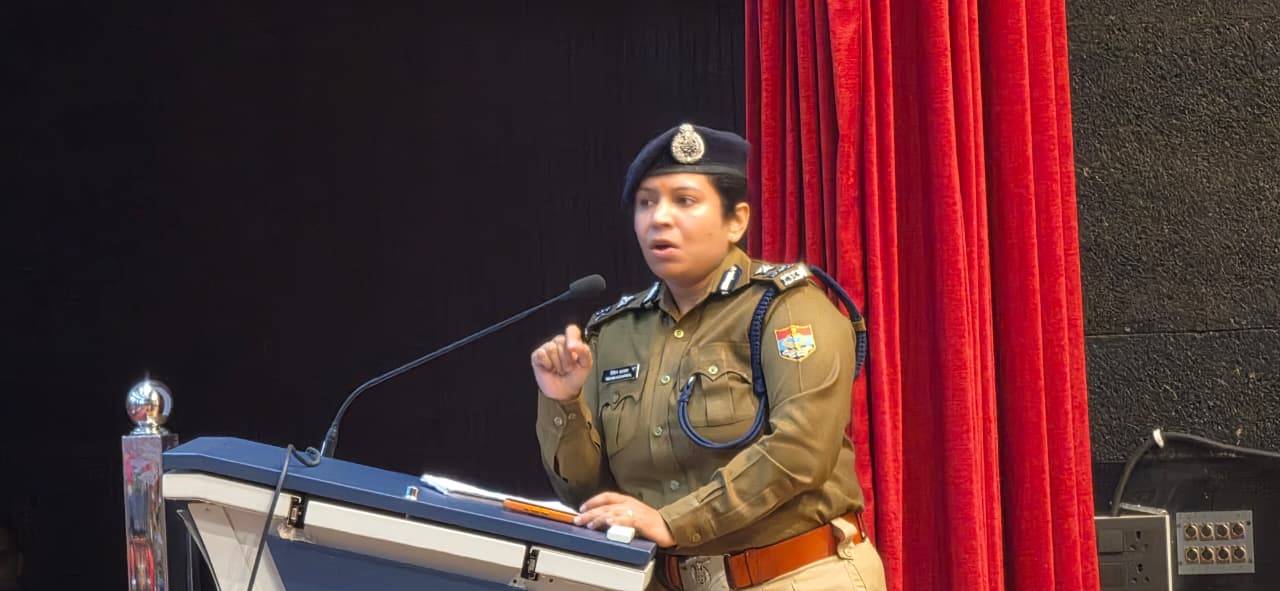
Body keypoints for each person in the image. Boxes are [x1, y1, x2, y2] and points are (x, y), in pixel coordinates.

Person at [531, 123, 885, 591]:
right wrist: (564, 401)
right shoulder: (613, 333)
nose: (659, 218)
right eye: (646, 203)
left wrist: (674, 522)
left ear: (737, 220)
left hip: (796, 574)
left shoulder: (786, 309)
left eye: (684, 200)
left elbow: (801, 451)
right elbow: (588, 495)